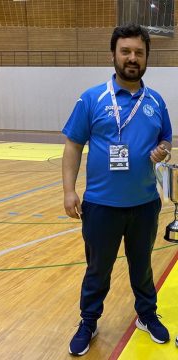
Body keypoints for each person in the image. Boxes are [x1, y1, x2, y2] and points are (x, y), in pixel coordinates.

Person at [62, 24, 172, 356]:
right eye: (125, 51)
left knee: (142, 266)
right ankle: (89, 321)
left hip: (144, 204)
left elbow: (165, 139)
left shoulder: (156, 101)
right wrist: (69, 191)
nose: (132, 58)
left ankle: (147, 315)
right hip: (100, 205)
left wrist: (163, 150)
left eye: (139, 52)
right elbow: (72, 146)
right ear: (113, 55)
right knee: (98, 269)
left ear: (147, 57)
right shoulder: (91, 98)